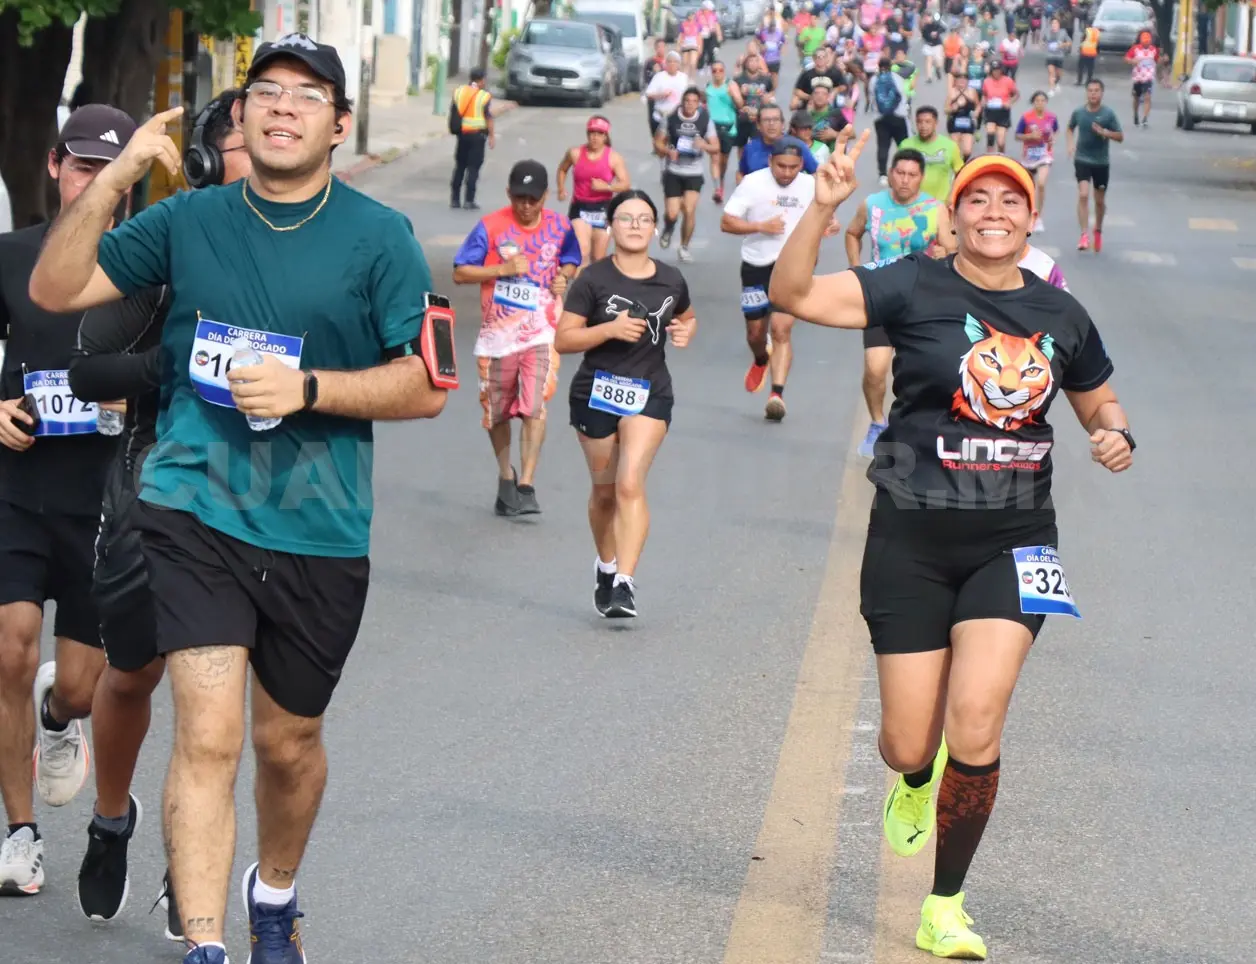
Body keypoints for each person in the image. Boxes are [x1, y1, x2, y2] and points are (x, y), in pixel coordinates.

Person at [28, 35, 449, 964]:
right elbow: (56, 286)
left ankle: (274, 896)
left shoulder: (381, 238)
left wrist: (311, 391)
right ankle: (208, 946)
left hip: (319, 520)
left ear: (341, 125)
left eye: (307, 95)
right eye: (266, 91)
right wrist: (122, 171)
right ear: (246, 114)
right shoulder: (190, 221)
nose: (283, 107)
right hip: (192, 504)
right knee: (208, 735)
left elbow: (424, 384)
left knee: (286, 744)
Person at [771, 145, 1134, 963]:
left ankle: (945, 903)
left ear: (1032, 217)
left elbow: (1096, 395)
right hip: (910, 536)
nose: (995, 213)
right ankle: (914, 778)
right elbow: (790, 293)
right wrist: (824, 207)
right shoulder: (910, 283)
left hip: (1014, 538)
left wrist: (1113, 430)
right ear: (955, 214)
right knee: (908, 742)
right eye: (979, 200)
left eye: (1011, 201)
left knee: (976, 720)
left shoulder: (1060, 314)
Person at [64, 89, 249, 933]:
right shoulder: (168, 251)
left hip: (252, 499)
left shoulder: (318, 256)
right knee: (131, 674)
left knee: (211, 704)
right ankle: (111, 820)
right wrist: (183, 369)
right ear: (209, 162)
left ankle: (191, 870)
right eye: (248, 140)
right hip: (150, 485)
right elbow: (90, 373)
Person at [0, 103, 137, 900]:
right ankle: (20, 835)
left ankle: (60, 717)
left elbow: (170, 361)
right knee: (10, 646)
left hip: (100, 500)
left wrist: (128, 398)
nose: (93, 183)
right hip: (18, 489)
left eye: (108, 173)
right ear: (56, 166)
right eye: (82, 165)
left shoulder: (142, 265)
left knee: (82, 686)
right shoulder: (12, 256)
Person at [554, 189, 697, 619]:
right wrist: (609, 329)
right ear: (611, 226)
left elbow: (686, 315)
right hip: (595, 394)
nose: (635, 225)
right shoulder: (593, 280)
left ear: (654, 228)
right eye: (626, 218)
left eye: (643, 219)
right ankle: (606, 565)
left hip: (650, 393)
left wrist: (686, 332)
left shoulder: (671, 278)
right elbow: (564, 339)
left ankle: (625, 586)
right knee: (604, 494)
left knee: (629, 483)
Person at [454, 160, 581, 516]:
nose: (526, 206)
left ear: (544, 197)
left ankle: (526, 484)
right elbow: (461, 271)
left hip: (541, 331)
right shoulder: (491, 226)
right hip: (497, 336)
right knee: (496, 415)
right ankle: (505, 475)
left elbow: (571, 257)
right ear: (509, 193)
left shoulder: (559, 226)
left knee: (535, 404)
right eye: (520, 198)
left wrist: (564, 277)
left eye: (533, 199)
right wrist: (501, 269)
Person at [844, 148, 956, 458]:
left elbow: (951, 247)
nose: (904, 180)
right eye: (900, 173)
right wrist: (856, 268)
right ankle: (878, 424)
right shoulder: (873, 204)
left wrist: (944, 254)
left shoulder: (935, 210)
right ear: (891, 173)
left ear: (921, 178)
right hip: (880, 297)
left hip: (922, 301)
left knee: (924, 373)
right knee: (875, 369)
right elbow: (853, 233)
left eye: (912, 175)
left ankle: (918, 430)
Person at [722, 137, 839, 422]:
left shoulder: (811, 186)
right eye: (781, 166)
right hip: (756, 263)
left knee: (781, 329)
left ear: (802, 165)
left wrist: (829, 225)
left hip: (793, 266)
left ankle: (777, 394)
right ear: (770, 162)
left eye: (793, 167)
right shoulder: (753, 182)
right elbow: (727, 222)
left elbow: (827, 216)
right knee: (755, 333)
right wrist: (760, 226)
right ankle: (761, 359)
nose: (786, 173)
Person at [652, 86, 719, 262]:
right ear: (682, 102)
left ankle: (684, 247)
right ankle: (668, 227)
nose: (690, 105)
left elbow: (715, 147)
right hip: (674, 171)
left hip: (694, 172)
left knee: (689, 210)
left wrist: (703, 145)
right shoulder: (672, 118)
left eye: (694, 102)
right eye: (687, 101)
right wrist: (668, 151)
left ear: (699, 104)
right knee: (673, 213)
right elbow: (657, 142)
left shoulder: (705, 120)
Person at [556, 117, 631, 267]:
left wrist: (607, 188)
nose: (595, 137)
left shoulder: (614, 158)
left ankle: (593, 289)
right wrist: (561, 188)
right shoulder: (575, 153)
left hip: (603, 209)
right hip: (580, 207)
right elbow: (562, 169)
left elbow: (625, 184)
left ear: (605, 136)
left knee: (598, 257)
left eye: (599, 133)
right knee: (582, 252)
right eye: (591, 133)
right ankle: (580, 289)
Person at [1067, 78, 1123, 252]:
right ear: (1086, 92)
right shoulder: (1079, 112)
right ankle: (1084, 235)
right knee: (1083, 195)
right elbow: (1070, 128)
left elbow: (1120, 136)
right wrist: (1070, 144)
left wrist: (1105, 132)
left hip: (1101, 162)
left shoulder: (1108, 114)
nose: (1093, 94)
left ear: (1102, 93)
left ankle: (1097, 229)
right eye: (1090, 91)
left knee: (1099, 201)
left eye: (1096, 91)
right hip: (1082, 159)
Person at [449, 66, 495, 210]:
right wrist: (492, 135)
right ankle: (469, 200)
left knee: (460, 167)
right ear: (481, 80)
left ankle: (455, 199)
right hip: (477, 135)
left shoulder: (459, 91)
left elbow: (454, 111)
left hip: (462, 134)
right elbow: (488, 117)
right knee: (473, 168)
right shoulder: (484, 96)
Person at [897, 106, 963, 203]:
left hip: (940, 205)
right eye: (919, 122)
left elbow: (960, 173)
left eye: (928, 122)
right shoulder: (906, 145)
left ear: (936, 123)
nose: (923, 126)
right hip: (911, 205)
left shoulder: (950, 146)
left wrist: (953, 195)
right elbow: (896, 174)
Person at [1015, 92, 1059, 233]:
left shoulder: (1051, 117)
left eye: (1042, 100)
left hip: (1045, 154)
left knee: (1040, 184)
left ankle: (1039, 217)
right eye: (1037, 100)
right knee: (1027, 188)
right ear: (1033, 102)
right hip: (1029, 156)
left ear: (1046, 102)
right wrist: (1030, 136)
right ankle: (1027, 214)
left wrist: (1053, 138)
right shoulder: (1026, 117)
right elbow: (1017, 135)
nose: (1040, 103)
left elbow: (1056, 130)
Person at [704, 62, 740, 203]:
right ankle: (717, 188)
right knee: (714, 157)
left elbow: (740, 104)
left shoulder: (730, 85)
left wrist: (733, 96)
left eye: (720, 70)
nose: (717, 72)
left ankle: (721, 180)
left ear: (724, 71)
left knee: (723, 161)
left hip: (728, 126)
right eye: (714, 70)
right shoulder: (708, 86)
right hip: (712, 126)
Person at [872, 58, 910, 182]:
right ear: (890, 66)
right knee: (903, 145)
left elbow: (872, 97)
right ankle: (905, 170)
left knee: (883, 145)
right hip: (898, 116)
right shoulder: (897, 78)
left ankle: (882, 174)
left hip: (880, 118)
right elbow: (903, 94)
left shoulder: (874, 80)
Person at [644, 51, 690, 133]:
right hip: (661, 117)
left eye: (675, 62)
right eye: (669, 61)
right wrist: (661, 95)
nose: (672, 64)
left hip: (679, 119)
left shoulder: (684, 78)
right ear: (665, 64)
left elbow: (690, 95)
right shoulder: (659, 77)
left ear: (679, 64)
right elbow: (648, 94)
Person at [981, 60, 1018, 153]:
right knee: (990, 135)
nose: (996, 72)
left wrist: (1009, 102)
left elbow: (1016, 94)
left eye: (998, 70)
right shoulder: (987, 81)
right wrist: (983, 101)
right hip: (990, 111)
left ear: (1001, 70)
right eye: (994, 70)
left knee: (1001, 142)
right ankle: (989, 158)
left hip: (1003, 112)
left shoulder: (1008, 81)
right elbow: (984, 95)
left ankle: (1002, 157)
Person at [1125, 30, 1159, 128]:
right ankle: (1136, 114)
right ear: (1141, 41)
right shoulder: (1135, 49)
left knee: (1147, 97)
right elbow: (1126, 58)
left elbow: (1156, 61)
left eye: (1148, 41)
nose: (1146, 43)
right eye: (1144, 41)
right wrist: (1132, 61)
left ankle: (1145, 118)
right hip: (1138, 78)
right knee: (1136, 98)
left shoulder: (1154, 50)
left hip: (1148, 78)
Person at [946, 79, 980, 159]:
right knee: (955, 150)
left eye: (964, 80)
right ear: (955, 81)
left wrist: (976, 112)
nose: (961, 82)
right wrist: (952, 109)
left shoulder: (972, 92)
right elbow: (946, 109)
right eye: (959, 80)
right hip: (954, 122)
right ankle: (959, 168)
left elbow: (978, 105)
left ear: (967, 81)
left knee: (967, 151)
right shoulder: (952, 92)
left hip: (968, 122)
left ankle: (963, 162)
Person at [1042, 16, 1070, 95]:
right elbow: (1043, 41)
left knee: (1058, 74)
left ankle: (1057, 83)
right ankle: (1051, 89)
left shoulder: (1063, 32)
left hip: (1059, 56)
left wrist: (1062, 45)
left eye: (1056, 23)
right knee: (1051, 73)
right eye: (1053, 23)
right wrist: (1043, 44)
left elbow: (1069, 42)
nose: (1054, 25)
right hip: (1050, 55)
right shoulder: (1047, 32)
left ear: (1059, 25)